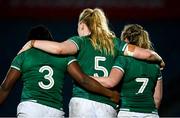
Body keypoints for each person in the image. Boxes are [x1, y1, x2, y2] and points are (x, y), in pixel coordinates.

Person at [18, 8, 164, 117]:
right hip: (107, 105)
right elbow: (147, 54)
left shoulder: (80, 41)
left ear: (82, 24)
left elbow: (59, 49)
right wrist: (160, 60)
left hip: (82, 101)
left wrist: (33, 42)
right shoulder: (116, 44)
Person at [0, 25, 120, 118]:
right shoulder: (64, 57)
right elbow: (84, 80)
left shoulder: (23, 56)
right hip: (55, 111)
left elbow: (5, 87)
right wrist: (110, 94)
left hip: (31, 108)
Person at [93, 24, 163, 118]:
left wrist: (87, 78)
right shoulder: (155, 66)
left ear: (126, 40)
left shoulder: (123, 60)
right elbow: (157, 98)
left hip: (127, 112)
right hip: (151, 113)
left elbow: (111, 82)